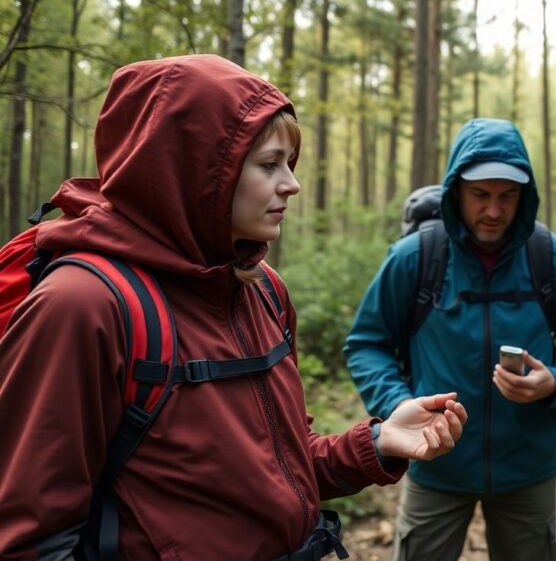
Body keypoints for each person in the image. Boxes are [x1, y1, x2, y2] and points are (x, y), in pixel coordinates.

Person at [0, 54, 467, 560]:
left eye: (288, 164)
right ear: (193, 171)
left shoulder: (259, 289)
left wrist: (379, 442)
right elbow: (32, 540)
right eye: (269, 165)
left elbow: (283, 467)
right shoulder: (83, 305)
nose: (292, 184)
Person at [344, 118, 556, 560]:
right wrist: (398, 405)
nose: (493, 211)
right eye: (480, 195)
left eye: (507, 197)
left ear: (525, 197)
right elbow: (367, 344)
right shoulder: (416, 258)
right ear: (455, 192)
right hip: (435, 465)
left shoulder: (553, 258)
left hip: (528, 469)